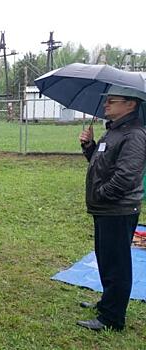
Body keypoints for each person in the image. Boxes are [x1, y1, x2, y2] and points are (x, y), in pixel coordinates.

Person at [77, 85, 146, 331]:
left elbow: (126, 176)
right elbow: (102, 165)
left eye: (113, 101)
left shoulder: (134, 134)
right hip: (105, 208)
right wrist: (90, 147)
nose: (106, 104)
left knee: (117, 264)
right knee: (106, 259)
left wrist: (102, 194)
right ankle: (108, 302)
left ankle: (112, 318)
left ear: (131, 104)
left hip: (118, 209)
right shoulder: (115, 131)